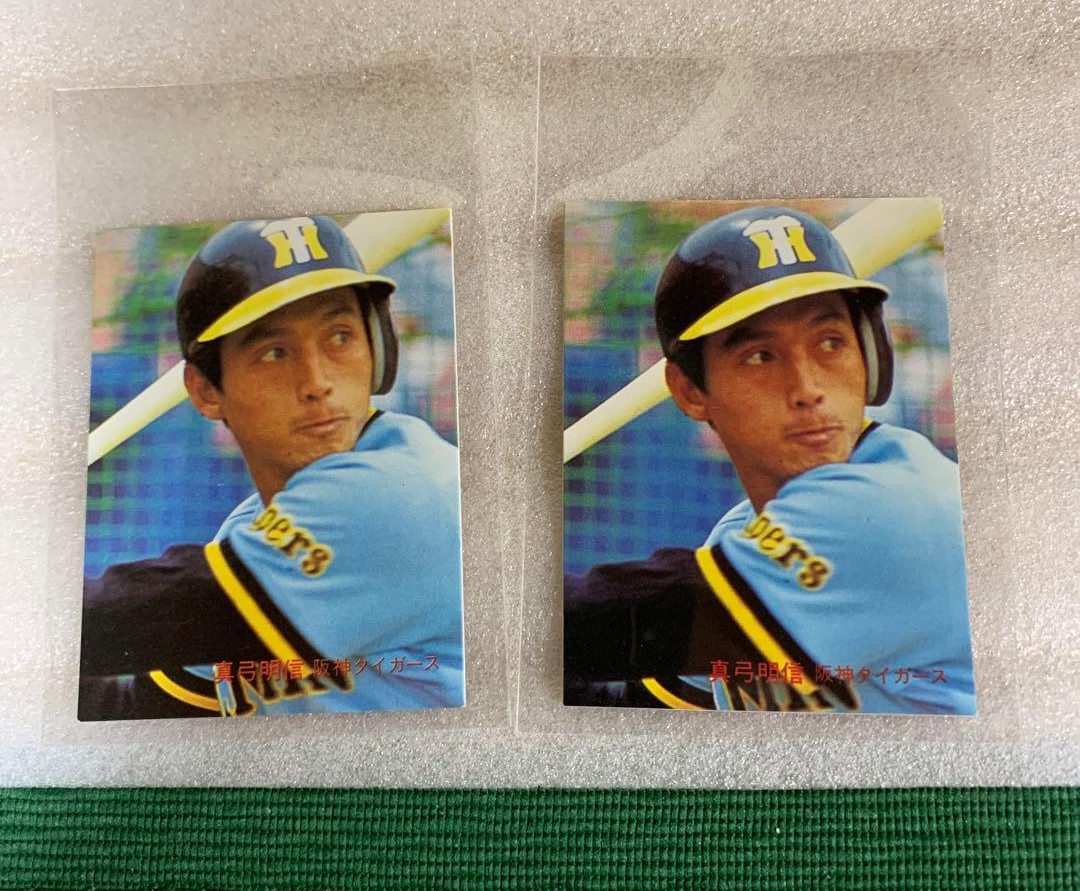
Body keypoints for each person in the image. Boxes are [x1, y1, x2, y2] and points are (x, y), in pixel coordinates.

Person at [564, 206, 974, 714]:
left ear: (870, 355)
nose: (808, 388)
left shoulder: (902, 506)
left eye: (830, 343)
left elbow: (614, 624)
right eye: (760, 356)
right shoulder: (741, 531)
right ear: (691, 390)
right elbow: (647, 700)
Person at [79, 215, 464, 719]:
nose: (317, 381)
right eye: (275, 352)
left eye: (340, 337)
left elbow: (154, 614)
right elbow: (151, 709)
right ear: (206, 391)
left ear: (378, 349)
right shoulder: (247, 531)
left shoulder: (409, 489)